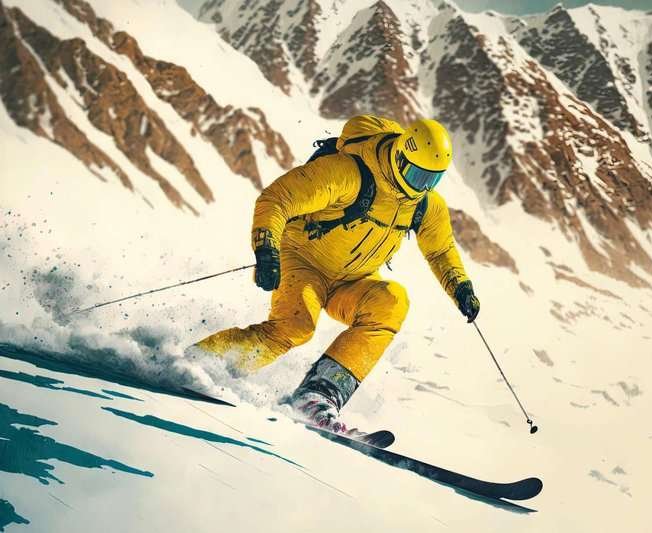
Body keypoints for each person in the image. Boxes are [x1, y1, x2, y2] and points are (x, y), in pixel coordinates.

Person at [189, 115, 479, 433]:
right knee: (294, 327)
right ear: (400, 156)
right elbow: (278, 198)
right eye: (416, 174)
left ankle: (318, 396)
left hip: (352, 281)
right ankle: (203, 364)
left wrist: (460, 286)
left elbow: (440, 251)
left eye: (431, 180)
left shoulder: (425, 205)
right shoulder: (350, 174)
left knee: (392, 302)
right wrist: (266, 247)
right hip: (304, 262)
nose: (420, 186)